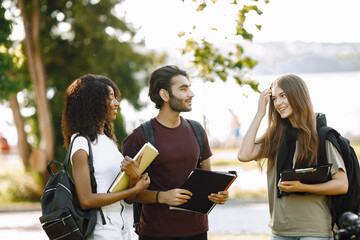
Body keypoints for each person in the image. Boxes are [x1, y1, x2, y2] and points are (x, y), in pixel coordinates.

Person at [122, 65, 229, 240]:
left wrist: (218, 193)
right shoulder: (141, 137)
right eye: (183, 89)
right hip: (156, 234)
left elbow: (208, 179)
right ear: (164, 95)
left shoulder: (197, 130)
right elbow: (128, 195)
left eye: (190, 87)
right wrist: (161, 197)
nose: (191, 94)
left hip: (198, 232)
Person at [237, 74, 348, 240]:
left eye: (284, 96)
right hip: (281, 231)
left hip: (314, 231)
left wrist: (302, 186)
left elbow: (341, 185)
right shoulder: (276, 138)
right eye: (274, 98)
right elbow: (244, 155)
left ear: (298, 95)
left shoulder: (322, 136)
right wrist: (260, 113)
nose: (278, 103)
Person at [61, 74, 150, 240]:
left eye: (115, 97)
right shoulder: (81, 143)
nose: (116, 103)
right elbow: (86, 200)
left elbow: (129, 198)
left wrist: (134, 178)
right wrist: (133, 189)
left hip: (121, 228)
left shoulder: (109, 142)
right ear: (92, 103)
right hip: (100, 231)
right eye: (110, 98)